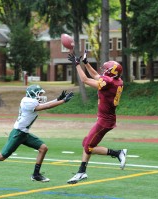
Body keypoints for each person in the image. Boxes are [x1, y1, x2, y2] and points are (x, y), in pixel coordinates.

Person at [0, 85, 74, 183]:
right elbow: (46, 107)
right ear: (32, 94)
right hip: (18, 134)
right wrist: (63, 101)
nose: (41, 96)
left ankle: (36, 174)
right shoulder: (28, 102)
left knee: (43, 148)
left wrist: (58, 99)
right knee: (2, 156)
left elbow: (44, 105)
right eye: (39, 94)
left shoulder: (29, 101)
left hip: (24, 133)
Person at [67, 50, 127, 184]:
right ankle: (81, 172)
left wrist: (77, 65)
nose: (104, 71)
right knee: (86, 144)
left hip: (105, 121)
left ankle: (118, 153)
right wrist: (86, 63)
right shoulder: (116, 81)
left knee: (88, 146)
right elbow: (96, 76)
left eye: (106, 69)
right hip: (106, 119)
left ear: (111, 71)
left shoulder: (109, 83)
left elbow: (85, 79)